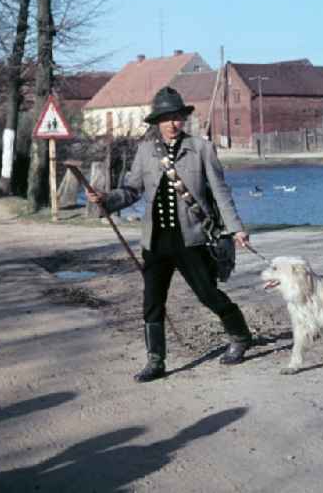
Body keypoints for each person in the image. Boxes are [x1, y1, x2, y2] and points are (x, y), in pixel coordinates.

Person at [87, 86, 254, 382]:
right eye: (165, 118)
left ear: (183, 118)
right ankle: (156, 360)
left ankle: (240, 335)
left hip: (192, 239)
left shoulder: (201, 149)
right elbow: (132, 190)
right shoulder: (146, 151)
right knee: (152, 301)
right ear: (157, 122)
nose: (171, 124)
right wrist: (106, 200)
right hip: (155, 241)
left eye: (176, 117)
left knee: (208, 294)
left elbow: (219, 191)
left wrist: (236, 228)